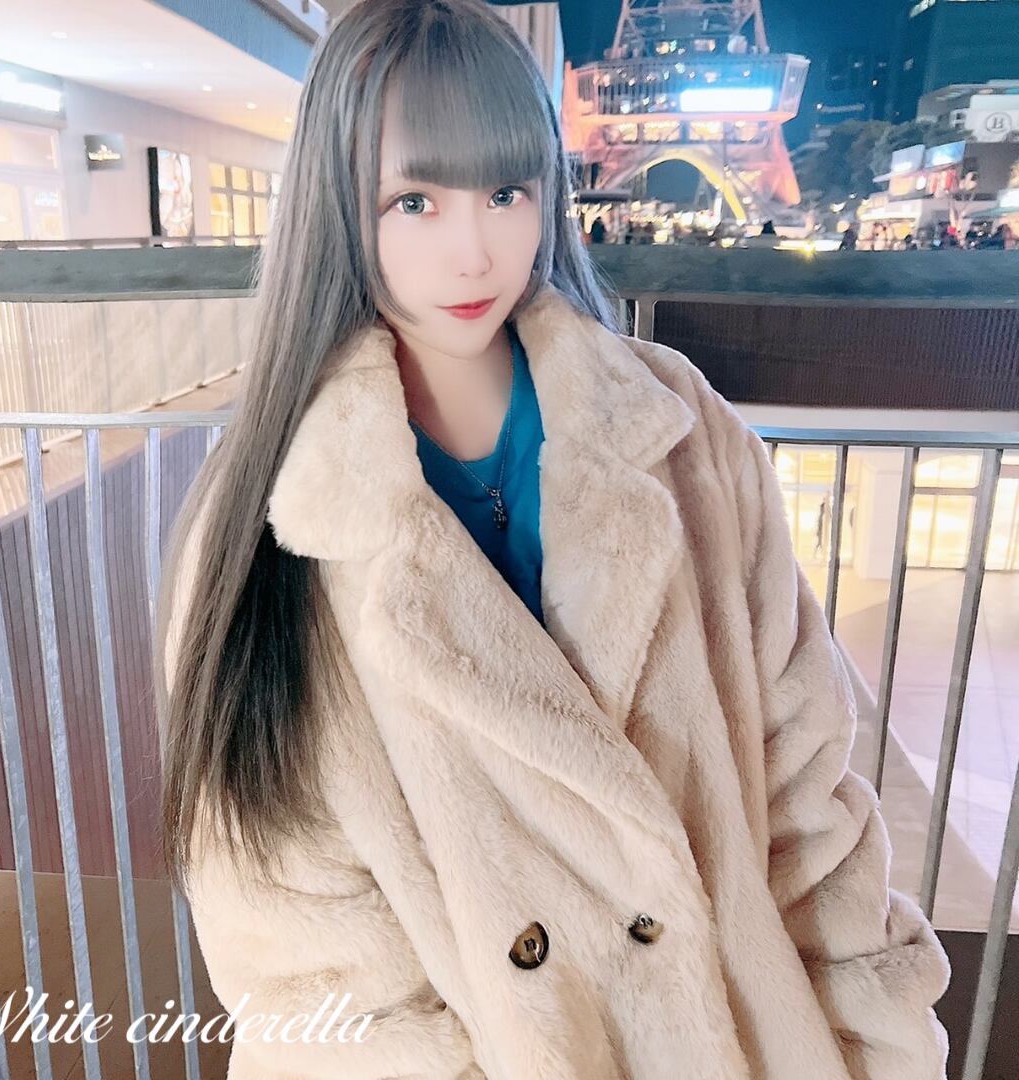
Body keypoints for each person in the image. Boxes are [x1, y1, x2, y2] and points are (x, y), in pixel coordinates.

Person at [155, 2, 950, 1078]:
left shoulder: (683, 432)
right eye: (415, 201)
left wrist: (878, 1043)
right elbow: (293, 940)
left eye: (507, 192)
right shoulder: (266, 516)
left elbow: (807, 788)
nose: (473, 249)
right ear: (335, 208)